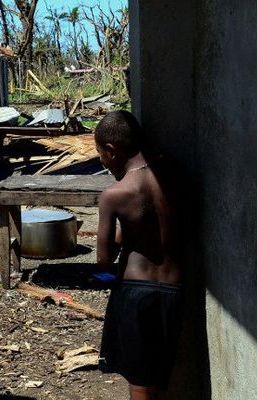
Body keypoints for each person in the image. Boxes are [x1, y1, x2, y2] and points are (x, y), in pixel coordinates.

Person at [94, 110, 183, 400]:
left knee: (140, 383)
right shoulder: (175, 176)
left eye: (101, 155)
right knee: (159, 380)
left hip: (135, 292)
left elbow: (104, 262)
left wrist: (123, 235)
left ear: (112, 150)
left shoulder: (115, 194)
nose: (102, 162)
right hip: (173, 290)